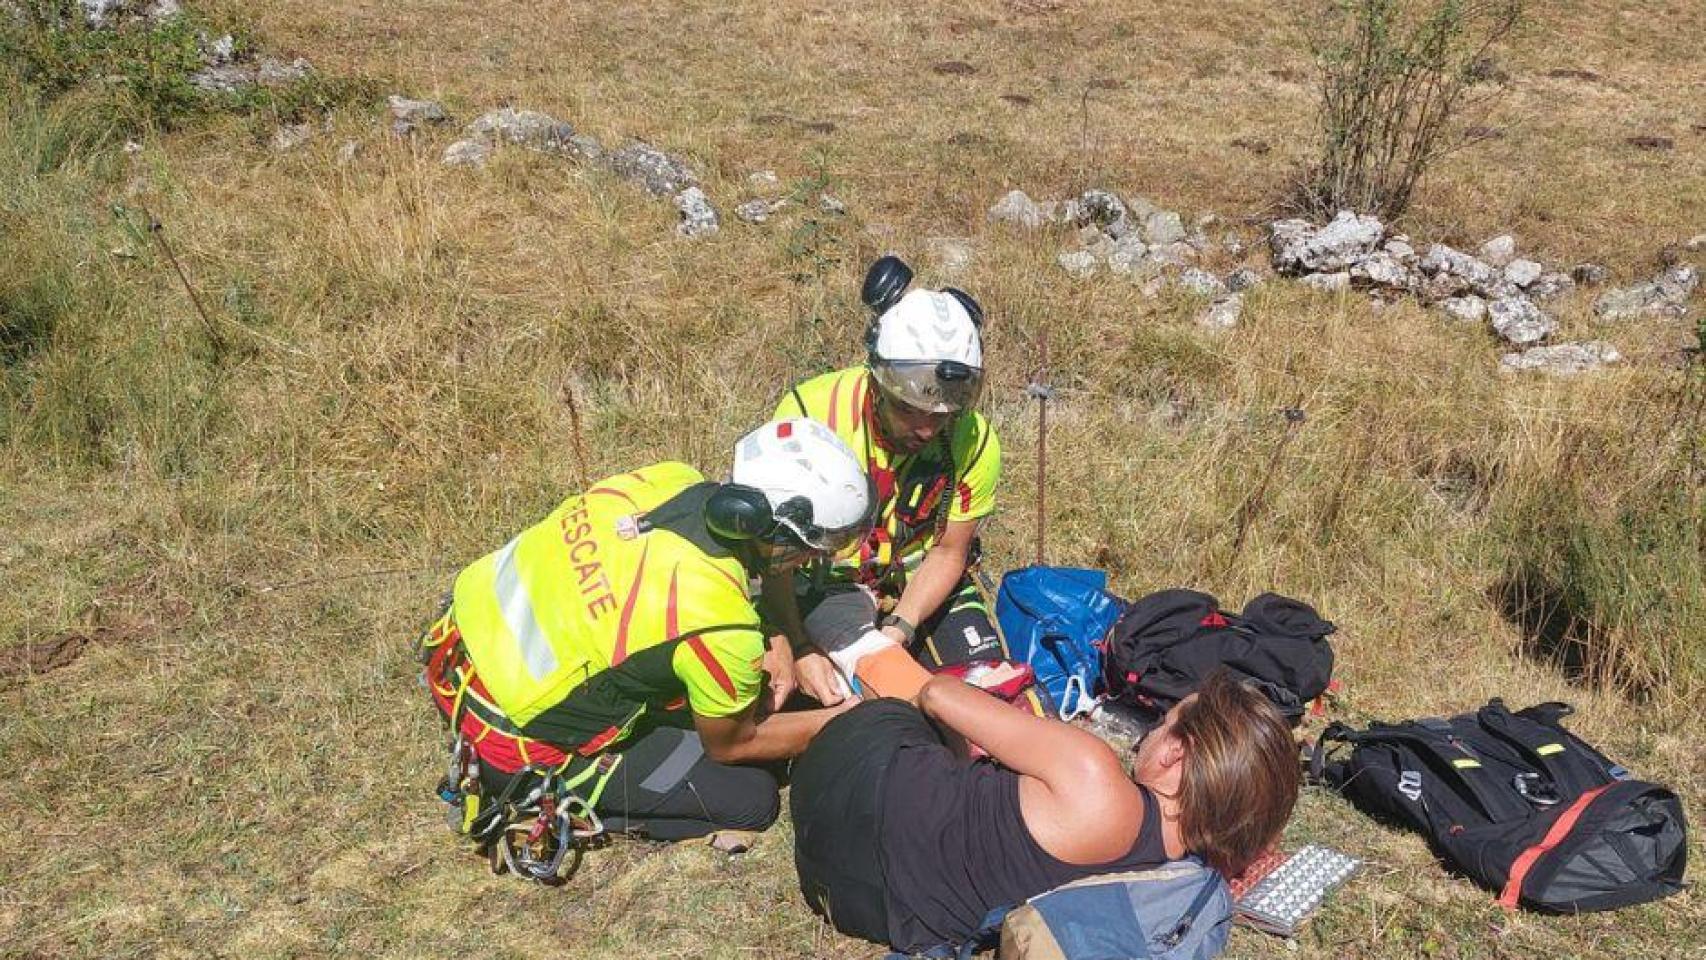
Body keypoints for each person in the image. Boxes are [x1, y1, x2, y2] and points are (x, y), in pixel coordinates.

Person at [420, 418, 872, 844]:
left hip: (455, 644)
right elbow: (733, 743)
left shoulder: (669, 480)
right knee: (750, 797)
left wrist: (780, 634)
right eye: (812, 547)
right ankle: (540, 794)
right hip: (509, 733)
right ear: (761, 525)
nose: (814, 560)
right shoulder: (719, 623)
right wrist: (838, 722)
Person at [790, 669, 1300, 954]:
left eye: (1163, 724)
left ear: (1176, 755)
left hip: (846, 809)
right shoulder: (1183, 871)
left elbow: (938, 695)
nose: (1150, 735)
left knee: (896, 708)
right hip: (873, 910)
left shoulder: (1094, 775)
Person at [766, 255, 1003, 704]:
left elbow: (951, 551)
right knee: (865, 706)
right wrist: (795, 645)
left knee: (988, 694)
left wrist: (902, 626)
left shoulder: (973, 440)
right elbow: (773, 556)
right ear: (875, 379)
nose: (927, 430)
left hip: (916, 580)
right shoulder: (811, 416)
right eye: (908, 410)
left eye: (942, 415)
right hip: (820, 583)